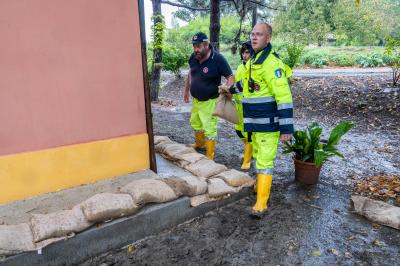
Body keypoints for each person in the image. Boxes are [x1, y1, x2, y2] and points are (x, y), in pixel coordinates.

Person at [220, 23, 294, 217]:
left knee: (264, 161)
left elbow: (284, 98)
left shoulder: (272, 64)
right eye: (252, 34)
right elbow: (248, 84)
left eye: (259, 35)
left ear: (268, 38)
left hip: (268, 124)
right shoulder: (254, 61)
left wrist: (287, 128)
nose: (254, 38)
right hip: (254, 123)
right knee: (258, 157)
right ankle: (260, 187)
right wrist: (230, 89)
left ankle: (261, 203)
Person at [184, 32, 234, 160]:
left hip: (210, 101)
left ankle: (210, 155)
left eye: (199, 46)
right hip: (196, 100)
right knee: (196, 122)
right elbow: (191, 73)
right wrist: (186, 91)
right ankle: (199, 144)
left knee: (210, 128)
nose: (196, 49)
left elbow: (230, 77)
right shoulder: (193, 57)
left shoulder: (217, 59)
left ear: (206, 45)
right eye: (194, 46)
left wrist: (227, 90)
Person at [234, 41, 254, 170]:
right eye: (243, 52)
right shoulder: (240, 67)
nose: (244, 55)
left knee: (250, 133)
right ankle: (251, 149)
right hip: (239, 107)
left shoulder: (255, 67)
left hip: (250, 107)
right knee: (239, 131)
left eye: (247, 52)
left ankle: (247, 159)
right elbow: (237, 84)